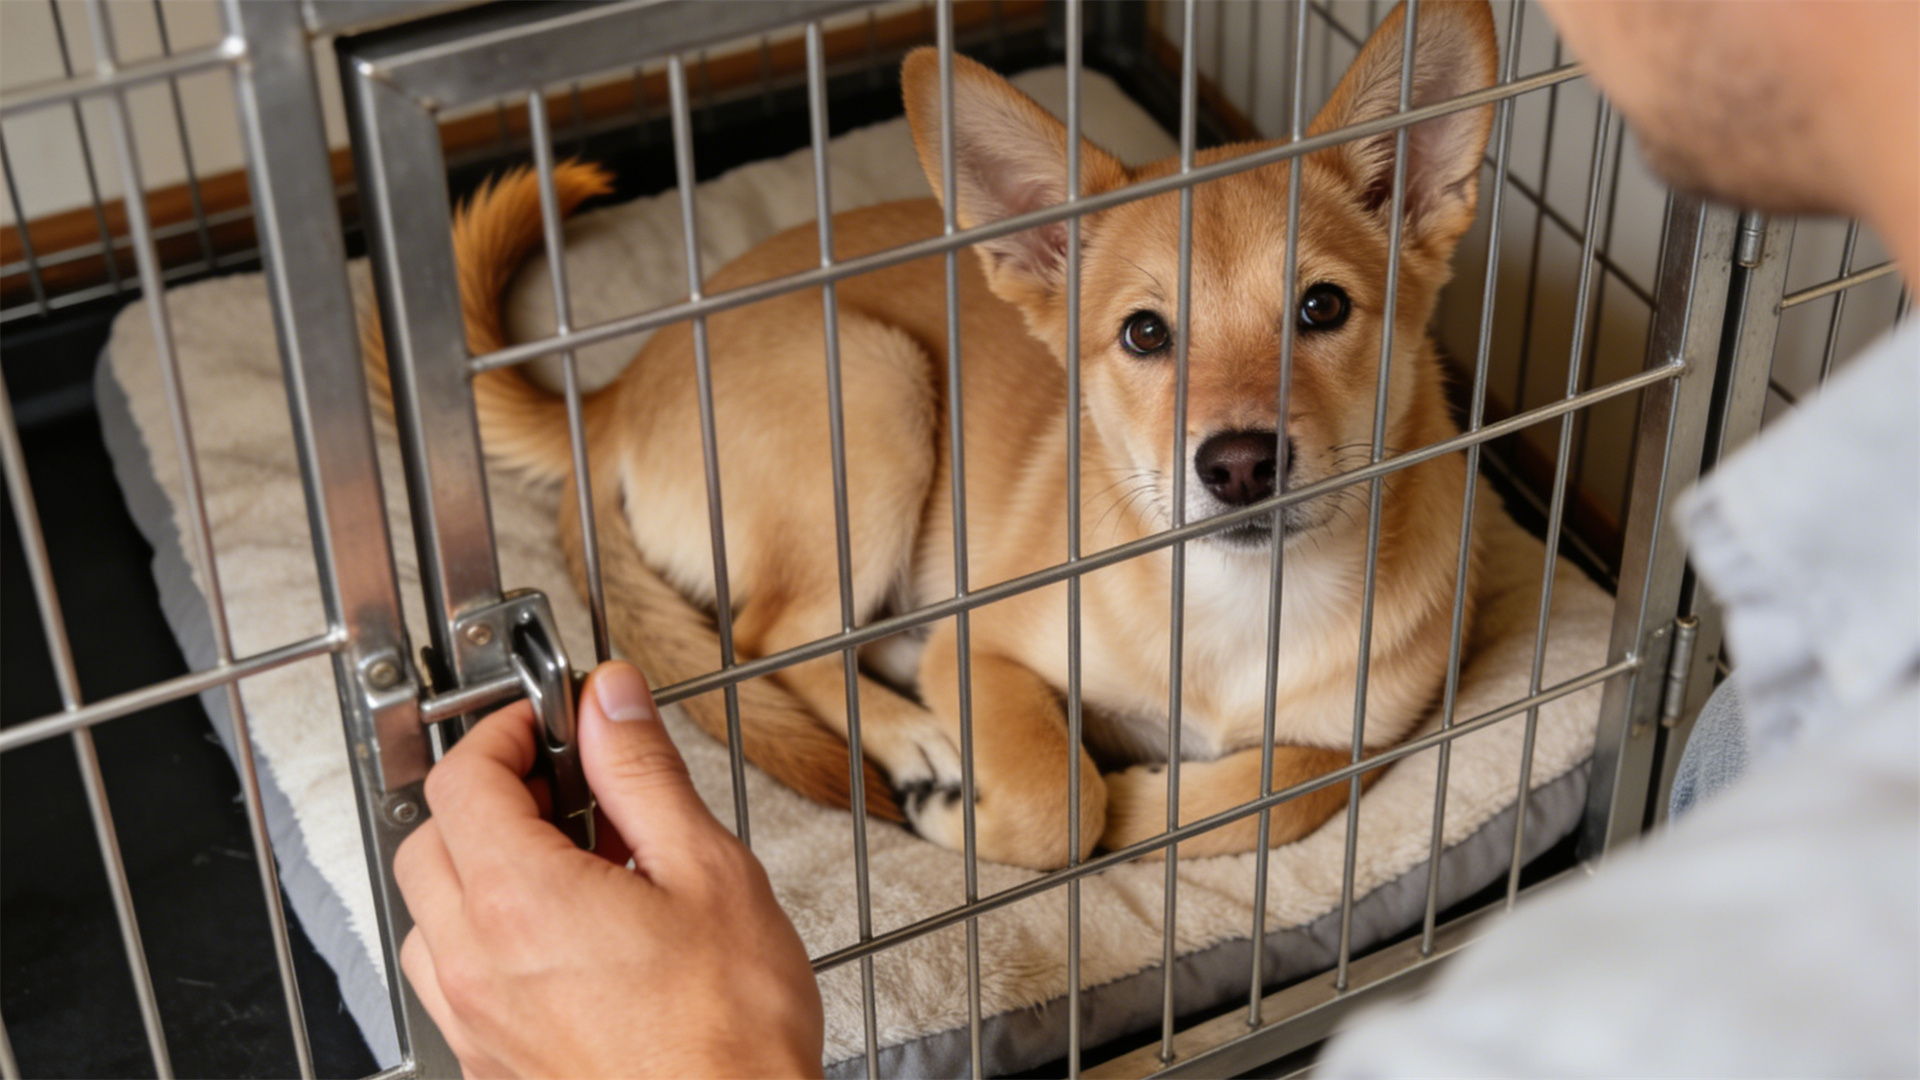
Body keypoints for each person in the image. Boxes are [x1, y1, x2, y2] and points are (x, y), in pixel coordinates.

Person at [392, 2, 1919, 1075]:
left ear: (1420, 214)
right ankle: (804, 654)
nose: (1233, 419)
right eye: (1148, 335)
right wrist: (1038, 794)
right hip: (802, 377)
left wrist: (1168, 809)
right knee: (872, 410)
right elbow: (985, 644)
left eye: (1317, 310)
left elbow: (1315, 768)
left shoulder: (1432, 595)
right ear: (1039, 272)